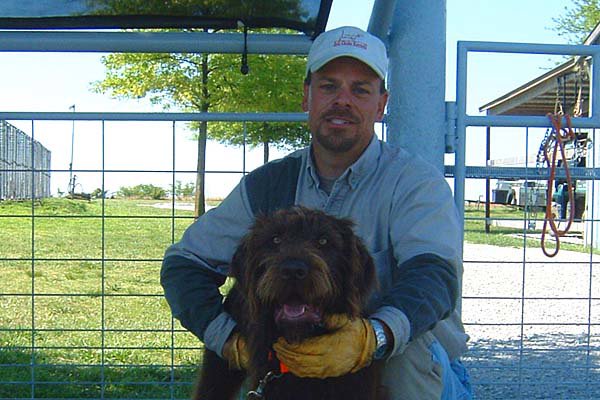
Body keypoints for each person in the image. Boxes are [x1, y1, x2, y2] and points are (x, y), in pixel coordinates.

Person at [162, 26, 472, 399]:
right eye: (329, 86)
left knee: (404, 357)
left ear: (381, 104)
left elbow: (435, 276)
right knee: (243, 309)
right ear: (307, 96)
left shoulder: (415, 183)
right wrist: (227, 340)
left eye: (360, 89)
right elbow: (184, 262)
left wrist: (370, 339)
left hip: (409, 362)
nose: (343, 100)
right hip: (297, 363)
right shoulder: (269, 184)